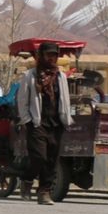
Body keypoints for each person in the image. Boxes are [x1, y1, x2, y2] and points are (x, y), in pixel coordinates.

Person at [15, 42, 72, 205]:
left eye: (54, 55)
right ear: (41, 56)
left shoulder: (60, 77)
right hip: (37, 122)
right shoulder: (30, 76)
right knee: (39, 157)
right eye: (48, 55)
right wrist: (27, 120)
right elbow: (22, 100)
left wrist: (66, 120)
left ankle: (44, 192)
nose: (52, 58)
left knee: (52, 160)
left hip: (56, 123)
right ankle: (27, 180)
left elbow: (65, 99)